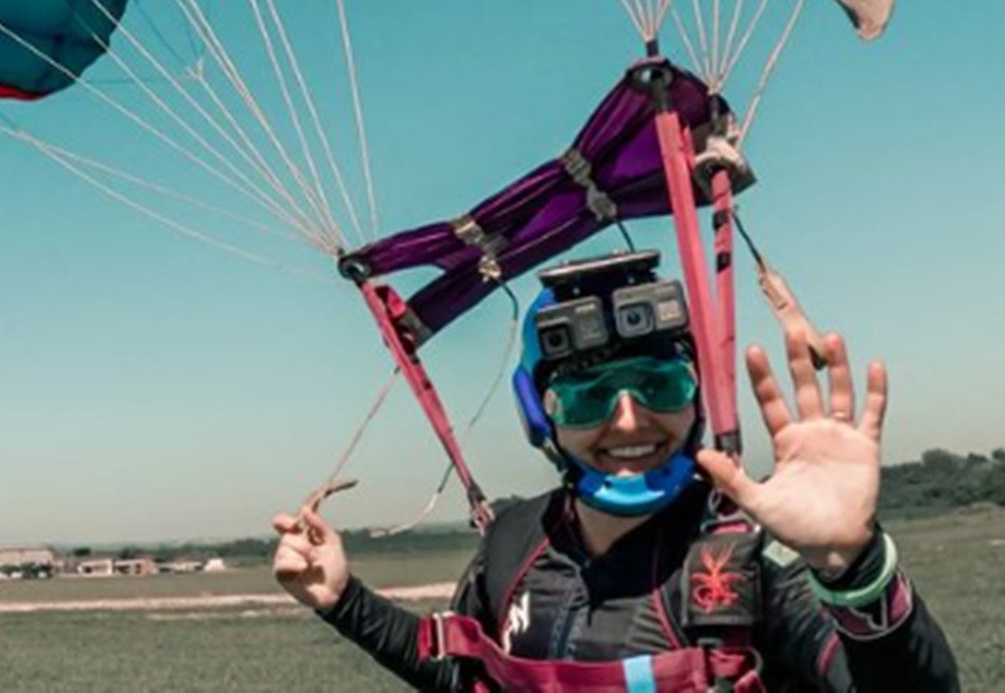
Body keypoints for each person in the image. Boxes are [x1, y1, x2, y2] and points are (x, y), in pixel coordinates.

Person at [273, 251, 959, 691]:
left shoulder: (751, 554)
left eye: (659, 385)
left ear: (696, 395)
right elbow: (473, 677)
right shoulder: (513, 540)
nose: (629, 420)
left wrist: (853, 567)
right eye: (588, 395)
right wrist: (344, 599)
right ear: (541, 415)